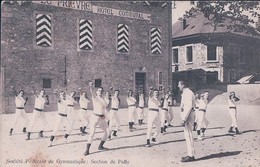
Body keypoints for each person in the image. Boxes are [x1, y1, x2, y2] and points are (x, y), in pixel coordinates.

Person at [84, 82, 109, 156]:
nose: (100, 91)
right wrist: (91, 86)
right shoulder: (95, 97)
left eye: (101, 90)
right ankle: (87, 150)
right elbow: (92, 92)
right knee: (92, 133)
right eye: (99, 90)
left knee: (108, 132)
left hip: (102, 118)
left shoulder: (103, 100)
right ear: (96, 92)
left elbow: (106, 107)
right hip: (95, 117)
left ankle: (100, 146)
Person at [178, 80, 196, 162]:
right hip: (187, 114)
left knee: (188, 135)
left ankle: (191, 155)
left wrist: (184, 118)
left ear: (183, 85)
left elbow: (188, 106)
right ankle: (190, 154)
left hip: (188, 115)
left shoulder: (188, 93)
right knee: (187, 135)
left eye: (179, 84)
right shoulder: (186, 93)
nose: (178, 86)